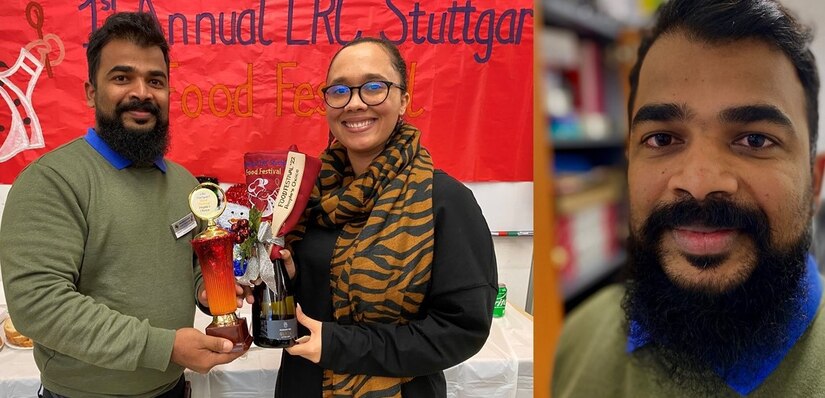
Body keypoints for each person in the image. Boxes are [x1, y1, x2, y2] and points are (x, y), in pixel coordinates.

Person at [553, 0, 825, 397]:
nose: (698, 183)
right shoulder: (580, 334)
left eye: (755, 140)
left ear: (815, 181)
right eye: (662, 139)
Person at [0, 12, 248, 398]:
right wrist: (164, 347)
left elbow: (192, 266)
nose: (142, 93)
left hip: (172, 388)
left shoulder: (184, 183)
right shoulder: (52, 181)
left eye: (155, 81)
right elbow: (40, 306)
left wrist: (209, 289)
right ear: (90, 92)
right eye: (122, 77)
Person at [273, 37, 499, 397]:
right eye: (340, 90)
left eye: (374, 87)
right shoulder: (307, 194)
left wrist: (338, 344)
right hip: (303, 383)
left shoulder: (443, 200)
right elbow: (316, 296)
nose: (355, 103)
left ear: (404, 100)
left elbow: (461, 330)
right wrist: (290, 277)